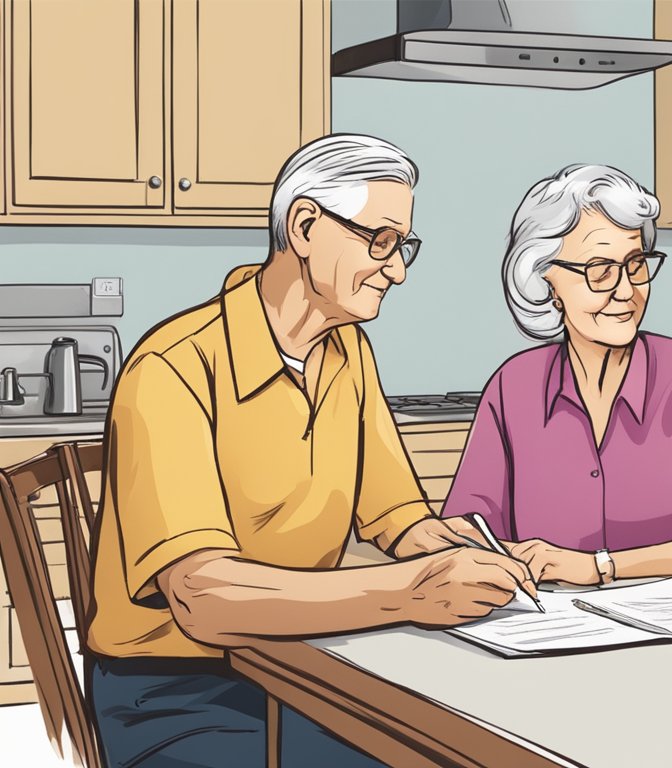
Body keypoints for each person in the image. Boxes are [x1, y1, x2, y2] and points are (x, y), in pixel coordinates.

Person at [84, 134, 536, 767]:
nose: (398, 269)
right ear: (304, 225)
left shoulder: (347, 352)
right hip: (175, 691)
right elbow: (201, 599)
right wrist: (410, 592)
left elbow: (396, 519)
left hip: (307, 664)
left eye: (403, 246)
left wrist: (456, 550)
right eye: (380, 241)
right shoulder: (172, 366)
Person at [441, 163, 672, 585]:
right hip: (546, 629)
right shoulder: (513, 387)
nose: (626, 291)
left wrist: (602, 567)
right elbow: (466, 531)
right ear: (545, 280)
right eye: (599, 270)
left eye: (636, 264)